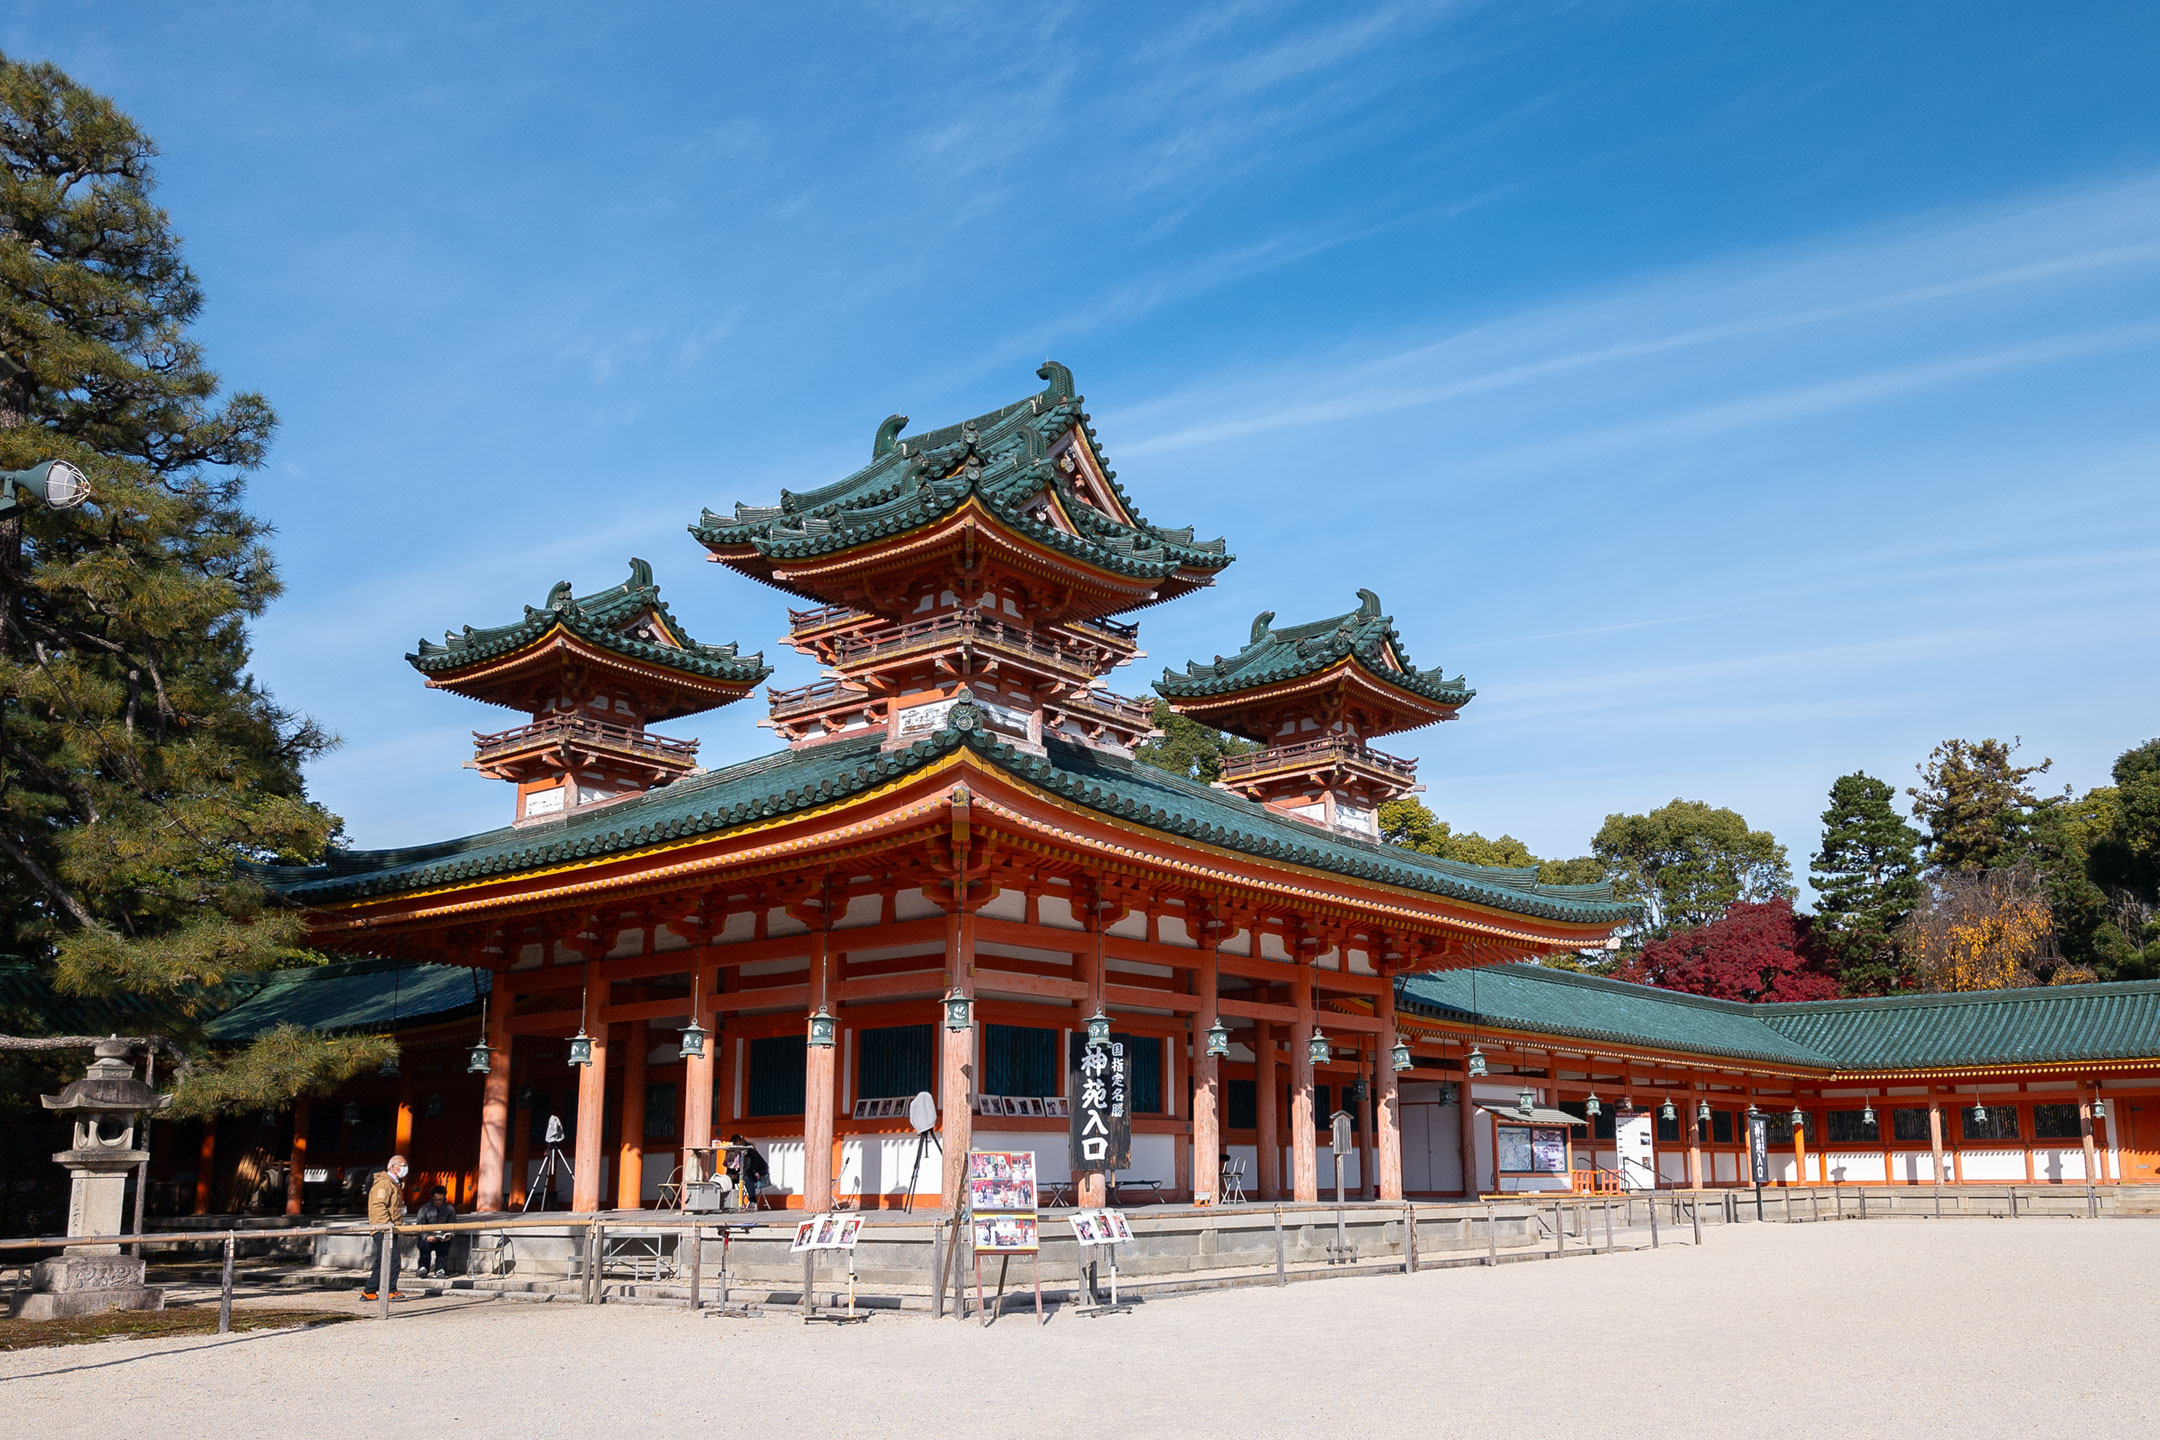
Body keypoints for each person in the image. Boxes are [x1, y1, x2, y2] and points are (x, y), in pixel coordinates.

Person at [363, 1154, 408, 1301]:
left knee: (383, 1260)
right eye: (403, 1165)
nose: (405, 1169)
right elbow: (378, 1205)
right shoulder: (384, 1183)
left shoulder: (394, 1184)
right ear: (394, 1167)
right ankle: (390, 1289)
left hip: (390, 1227)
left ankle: (369, 1290)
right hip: (383, 1228)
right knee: (393, 1260)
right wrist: (386, 1224)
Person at [414, 1185, 458, 1278]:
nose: (438, 1202)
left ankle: (440, 1269)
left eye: (440, 1200)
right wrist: (426, 1236)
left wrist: (449, 1235)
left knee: (443, 1249)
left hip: (442, 1236)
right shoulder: (425, 1208)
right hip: (428, 1235)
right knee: (424, 1246)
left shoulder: (449, 1209)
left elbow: (453, 1224)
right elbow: (420, 1224)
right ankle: (423, 1268)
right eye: (436, 1199)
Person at [723, 1135, 769, 1209]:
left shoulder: (750, 1151)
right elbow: (730, 1168)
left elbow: (750, 1167)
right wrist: (729, 1176)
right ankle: (730, 1200)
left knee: (747, 1177)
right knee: (728, 1178)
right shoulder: (733, 1154)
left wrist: (738, 1175)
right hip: (742, 1173)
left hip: (758, 1173)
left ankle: (753, 1201)